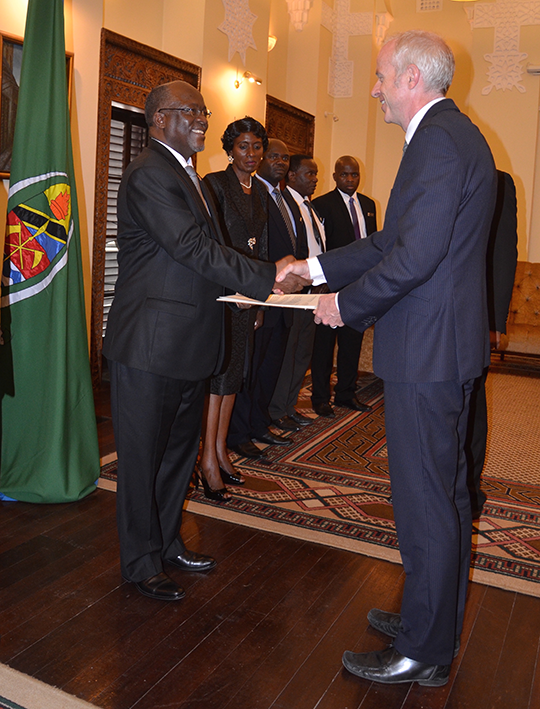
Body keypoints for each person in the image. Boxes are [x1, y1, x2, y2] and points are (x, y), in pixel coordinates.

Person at [277, 31, 497, 685]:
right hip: (440, 348)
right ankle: (434, 619)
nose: (373, 89)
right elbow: (390, 243)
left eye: (378, 77)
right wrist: (313, 267)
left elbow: (413, 256)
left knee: (427, 499)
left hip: (427, 353)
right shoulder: (450, 137)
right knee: (446, 496)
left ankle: (424, 650)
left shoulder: (437, 140)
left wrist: (343, 305)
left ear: (410, 79)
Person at [103, 80, 307, 602]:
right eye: (190, 110)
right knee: (143, 459)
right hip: (150, 345)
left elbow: (207, 254)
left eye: (203, 110)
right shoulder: (149, 173)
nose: (202, 118)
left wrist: (251, 285)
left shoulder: (187, 174)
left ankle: (167, 543)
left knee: (177, 456)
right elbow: (193, 247)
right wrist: (267, 275)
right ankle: (140, 561)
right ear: (157, 119)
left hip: (190, 342)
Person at [198, 117, 269, 501]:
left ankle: (221, 450)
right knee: (217, 380)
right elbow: (213, 244)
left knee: (234, 379)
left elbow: (261, 245)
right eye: (244, 146)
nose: (251, 154)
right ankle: (206, 459)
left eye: (257, 147)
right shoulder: (214, 185)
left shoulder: (258, 189)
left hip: (248, 297)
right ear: (229, 149)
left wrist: (258, 298)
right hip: (223, 294)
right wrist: (239, 286)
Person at [227, 139, 309, 459]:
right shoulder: (253, 194)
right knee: (251, 368)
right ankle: (239, 432)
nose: (280, 162)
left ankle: (260, 423)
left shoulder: (286, 196)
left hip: (286, 298)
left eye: (284, 157)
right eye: (273, 156)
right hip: (262, 297)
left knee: (270, 366)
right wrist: (261, 294)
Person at [466, 170, 518, 517]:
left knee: (472, 406)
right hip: (430, 317)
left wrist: (494, 321)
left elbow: (503, 252)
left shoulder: (499, 182)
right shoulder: (431, 171)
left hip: (475, 316)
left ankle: (468, 489)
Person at [310, 156, 377, 417]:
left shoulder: (369, 205)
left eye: (355, 175)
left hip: (360, 288)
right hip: (332, 286)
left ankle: (346, 394)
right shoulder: (321, 205)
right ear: (336, 176)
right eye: (345, 175)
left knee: (352, 343)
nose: (350, 180)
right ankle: (320, 397)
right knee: (324, 346)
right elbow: (320, 248)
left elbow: (373, 246)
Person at [269, 154, 324, 432]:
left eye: (315, 175)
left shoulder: (308, 206)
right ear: (291, 176)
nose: (314, 179)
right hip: (293, 289)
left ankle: (288, 406)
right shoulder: (284, 202)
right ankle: (277, 409)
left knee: (302, 353)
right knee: (288, 353)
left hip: (313, 289)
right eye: (309, 174)